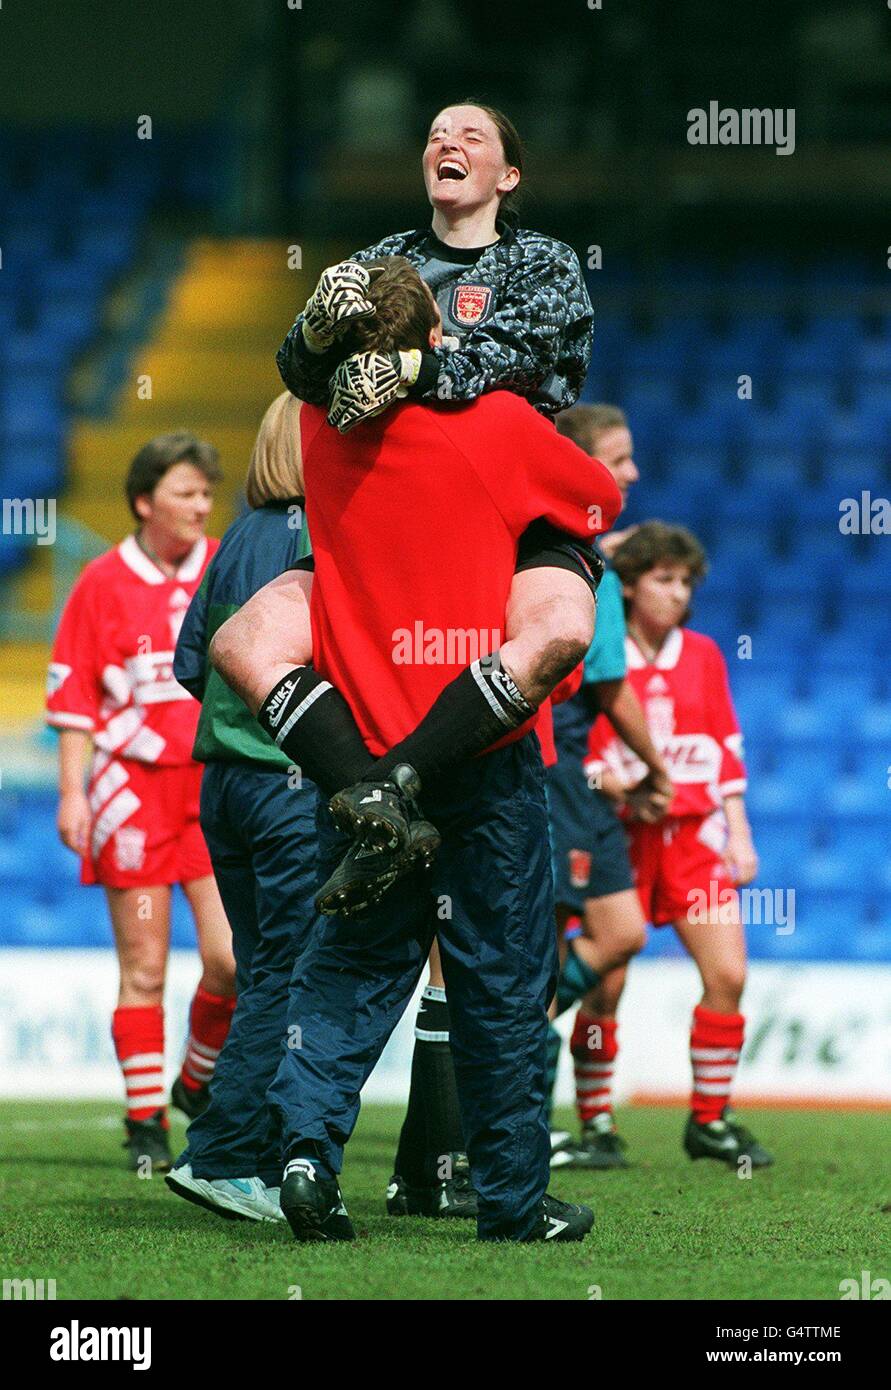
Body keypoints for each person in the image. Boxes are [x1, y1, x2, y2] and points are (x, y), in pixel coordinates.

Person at [218, 97, 606, 1215]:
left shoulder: (543, 267)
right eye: (436, 131)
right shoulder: (378, 261)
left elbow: (521, 359)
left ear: (511, 173)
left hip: (509, 499)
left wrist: (412, 377)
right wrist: (311, 333)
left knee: (362, 951)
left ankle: (306, 1150)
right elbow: (307, 370)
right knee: (496, 953)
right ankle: (507, 1196)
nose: (449, 141)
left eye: (474, 133)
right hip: (423, 497)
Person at [46, 434, 235, 1172]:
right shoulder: (101, 582)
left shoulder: (226, 565)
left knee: (228, 961)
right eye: (186, 491)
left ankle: (195, 1078)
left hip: (211, 786)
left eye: (205, 492)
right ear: (144, 500)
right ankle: (144, 1119)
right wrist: (73, 793)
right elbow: (73, 697)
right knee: (146, 967)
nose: (200, 504)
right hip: (130, 790)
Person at [163, 394, 319, 1224]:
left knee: (264, 973)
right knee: (286, 977)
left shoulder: (233, 541)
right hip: (285, 784)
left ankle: (245, 1154)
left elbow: (194, 663)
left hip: (222, 783)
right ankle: (222, 1156)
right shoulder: (320, 535)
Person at [584, 522, 773, 1168]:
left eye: (685, 580)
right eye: (663, 578)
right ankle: (594, 1123)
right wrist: (618, 787)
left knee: (728, 974)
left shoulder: (703, 654)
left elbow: (726, 746)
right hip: (619, 838)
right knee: (604, 987)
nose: (676, 591)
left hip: (693, 840)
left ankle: (709, 1120)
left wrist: (738, 833)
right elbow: (578, 756)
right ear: (629, 584)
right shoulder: (600, 653)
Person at [546, 404, 672, 1169]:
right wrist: (654, 767)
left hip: (578, 779)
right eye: (616, 461)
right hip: (556, 766)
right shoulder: (577, 566)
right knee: (541, 943)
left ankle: (511, 1039)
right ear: (582, 467)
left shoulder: (579, 552)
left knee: (619, 930)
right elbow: (612, 686)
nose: (631, 474)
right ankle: (508, 1074)